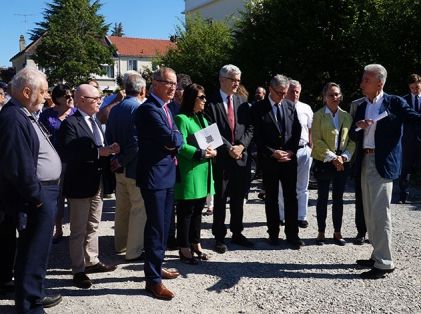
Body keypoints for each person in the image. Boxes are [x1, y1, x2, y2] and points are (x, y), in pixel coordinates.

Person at [350, 64, 421, 279]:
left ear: (379, 83)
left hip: (383, 163)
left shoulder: (394, 102)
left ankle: (385, 263)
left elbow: (415, 118)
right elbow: (353, 135)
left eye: (366, 80)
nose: (362, 84)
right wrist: (358, 127)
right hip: (364, 160)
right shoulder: (362, 105)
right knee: (370, 213)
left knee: (381, 214)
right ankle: (377, 254)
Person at [0, 67, 62, 313]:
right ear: (27, 92)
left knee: (36, 251)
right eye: (44, 91)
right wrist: (36, 198)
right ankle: (30, 305)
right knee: (33, 253)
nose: (47, 97)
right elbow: (18, 166)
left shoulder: (22, 113)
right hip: (37, 195)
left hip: (42, 193)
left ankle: (32, 297)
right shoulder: (13, 118)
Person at [58, 84, 119, 289]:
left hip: (97, 182)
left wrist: (109, 154)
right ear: (81, 100)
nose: (100, 101)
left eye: (100, 97)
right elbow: (69, 153)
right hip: (80, 184)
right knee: (78, 229)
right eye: (96, 98)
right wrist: (99, 153)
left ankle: (91, 260)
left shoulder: (94, 122)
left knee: (93, 224)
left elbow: (98, 149)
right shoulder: (71, 124)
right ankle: (78, 269)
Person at [135, 67, 183, 300]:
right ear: (155, 83)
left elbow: (176, 138)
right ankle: (152, 280)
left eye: (175, 83)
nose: (173, 87)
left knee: (164, 226)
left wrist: (174, 141)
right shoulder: (148, 110)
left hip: (168, 174)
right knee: (156, 227)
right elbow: (171, 138)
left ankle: (157, 265)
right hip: (154, 177)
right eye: (168, 83)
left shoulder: (167, 108)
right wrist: (173, 140)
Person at [204, 64, 254, 254]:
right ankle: (219, 236)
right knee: (221, 198)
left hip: (241, 157)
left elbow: (250, 127)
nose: (236, 83)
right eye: (233, 79)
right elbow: (209, 130)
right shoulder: (210, 102)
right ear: (222, 80)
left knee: (238, 197)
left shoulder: (242, 101)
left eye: (238, 80)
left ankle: (237, 232)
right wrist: (229, 148)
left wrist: (241, 146)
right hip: (222, 158)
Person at [252, 74, 303, 249]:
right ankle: (273, 233)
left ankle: (292, 234)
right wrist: (272, 152)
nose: (283, 96)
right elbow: (257, 136)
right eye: (280, 92)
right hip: (270, 161)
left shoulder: (289, 106)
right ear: (270, 90)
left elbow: (297, 130)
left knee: (291, 197)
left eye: (285, 92)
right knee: (271, 198)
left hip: (289, 159)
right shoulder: (259, 108)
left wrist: (291, 151)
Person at [105, 71, 147, 261]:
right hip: (134, 167)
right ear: (142, 90)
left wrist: (116, 159)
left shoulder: (115, 109)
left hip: (119, 167)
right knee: (139, 209)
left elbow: (109, 138)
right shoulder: (138, 109)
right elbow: (137, 143)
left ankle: (120, 244)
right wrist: (122, 160)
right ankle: (134, 251)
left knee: (122, 208)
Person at [174, 83, 216, 264]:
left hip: (204, 170)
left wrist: (213, 151)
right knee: (186, 212)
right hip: (190, 171)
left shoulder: (203, 119)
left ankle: (195, 243)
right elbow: (180, 144)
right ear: (192, 99)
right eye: (202, 97)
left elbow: (211, 142)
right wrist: (199, 153)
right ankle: (183, 248)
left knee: (198, 209)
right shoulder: (181, 119)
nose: (205, 101)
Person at [312, 82, 355, 246]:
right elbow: (317, 140)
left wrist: (343, 157)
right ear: (324, 98)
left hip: (342, 163)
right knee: (322, 197)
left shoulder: (346, 116)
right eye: (331, 95)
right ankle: (321, 232)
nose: (335, 97)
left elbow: (352, 141)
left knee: (338, 198)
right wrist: (333, 157)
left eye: (337, 94)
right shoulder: (318, 115)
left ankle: (337, 232)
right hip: (324, 161)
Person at [39, 83, 76, 243]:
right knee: (58, 197)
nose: (70, 98)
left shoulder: (75, 113)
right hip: (56, 161)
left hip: (74, 161)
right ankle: (58, 229)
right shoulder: (47, 115)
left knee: (75, 197)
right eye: (66, 96)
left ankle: (76, 231)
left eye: (71, 95)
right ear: (57, 98)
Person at [278, 80, 313, 228]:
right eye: (292, 91)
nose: (295, 93)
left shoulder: (306, 108)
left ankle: (301, 216)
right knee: (282, 185)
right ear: (286, 91)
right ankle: (282, 216)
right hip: (286, 151)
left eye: (298, 91)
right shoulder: (281, 106)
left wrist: (311, 148)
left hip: (304, 149)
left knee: (302, 185)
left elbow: (311, 129)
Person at [398, 74, 421, 204]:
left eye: (417, 87)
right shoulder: (404, 100)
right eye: (412, 88)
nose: (415, 90)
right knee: (405, 168)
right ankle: (403, 195)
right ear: (409, 88)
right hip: (408, 139)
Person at [349, 97, 368, 245]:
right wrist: (358, 127)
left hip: (380, 158)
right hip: (361, 156)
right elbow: (352, 133)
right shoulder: (357, 105)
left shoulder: (390, 103)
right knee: (360, 197)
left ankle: (375, 234)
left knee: (377, 202)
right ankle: (361, 231)